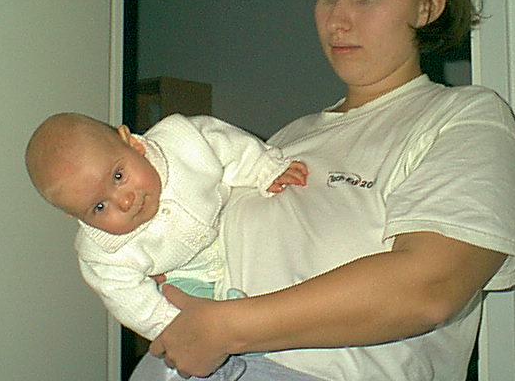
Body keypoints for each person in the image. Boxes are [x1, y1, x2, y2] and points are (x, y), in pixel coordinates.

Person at [136, 0, 515, 380]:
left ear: (428, 5)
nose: (337, 20)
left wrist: (226, 327)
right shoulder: (286, 140)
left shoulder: (462, 117)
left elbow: (431, 286)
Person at [25, 112, 308, 381]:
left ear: (132, 143)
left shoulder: (181, 143)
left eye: (118, 176)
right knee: (193, 349)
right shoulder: (100, 253)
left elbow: (226, 145)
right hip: (186, 279)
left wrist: (263, 168)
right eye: (99, 207)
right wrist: (177, 328)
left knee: (274, 280)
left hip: (230, 233)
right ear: (75, 216)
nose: (125, 201)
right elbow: (131, 301)